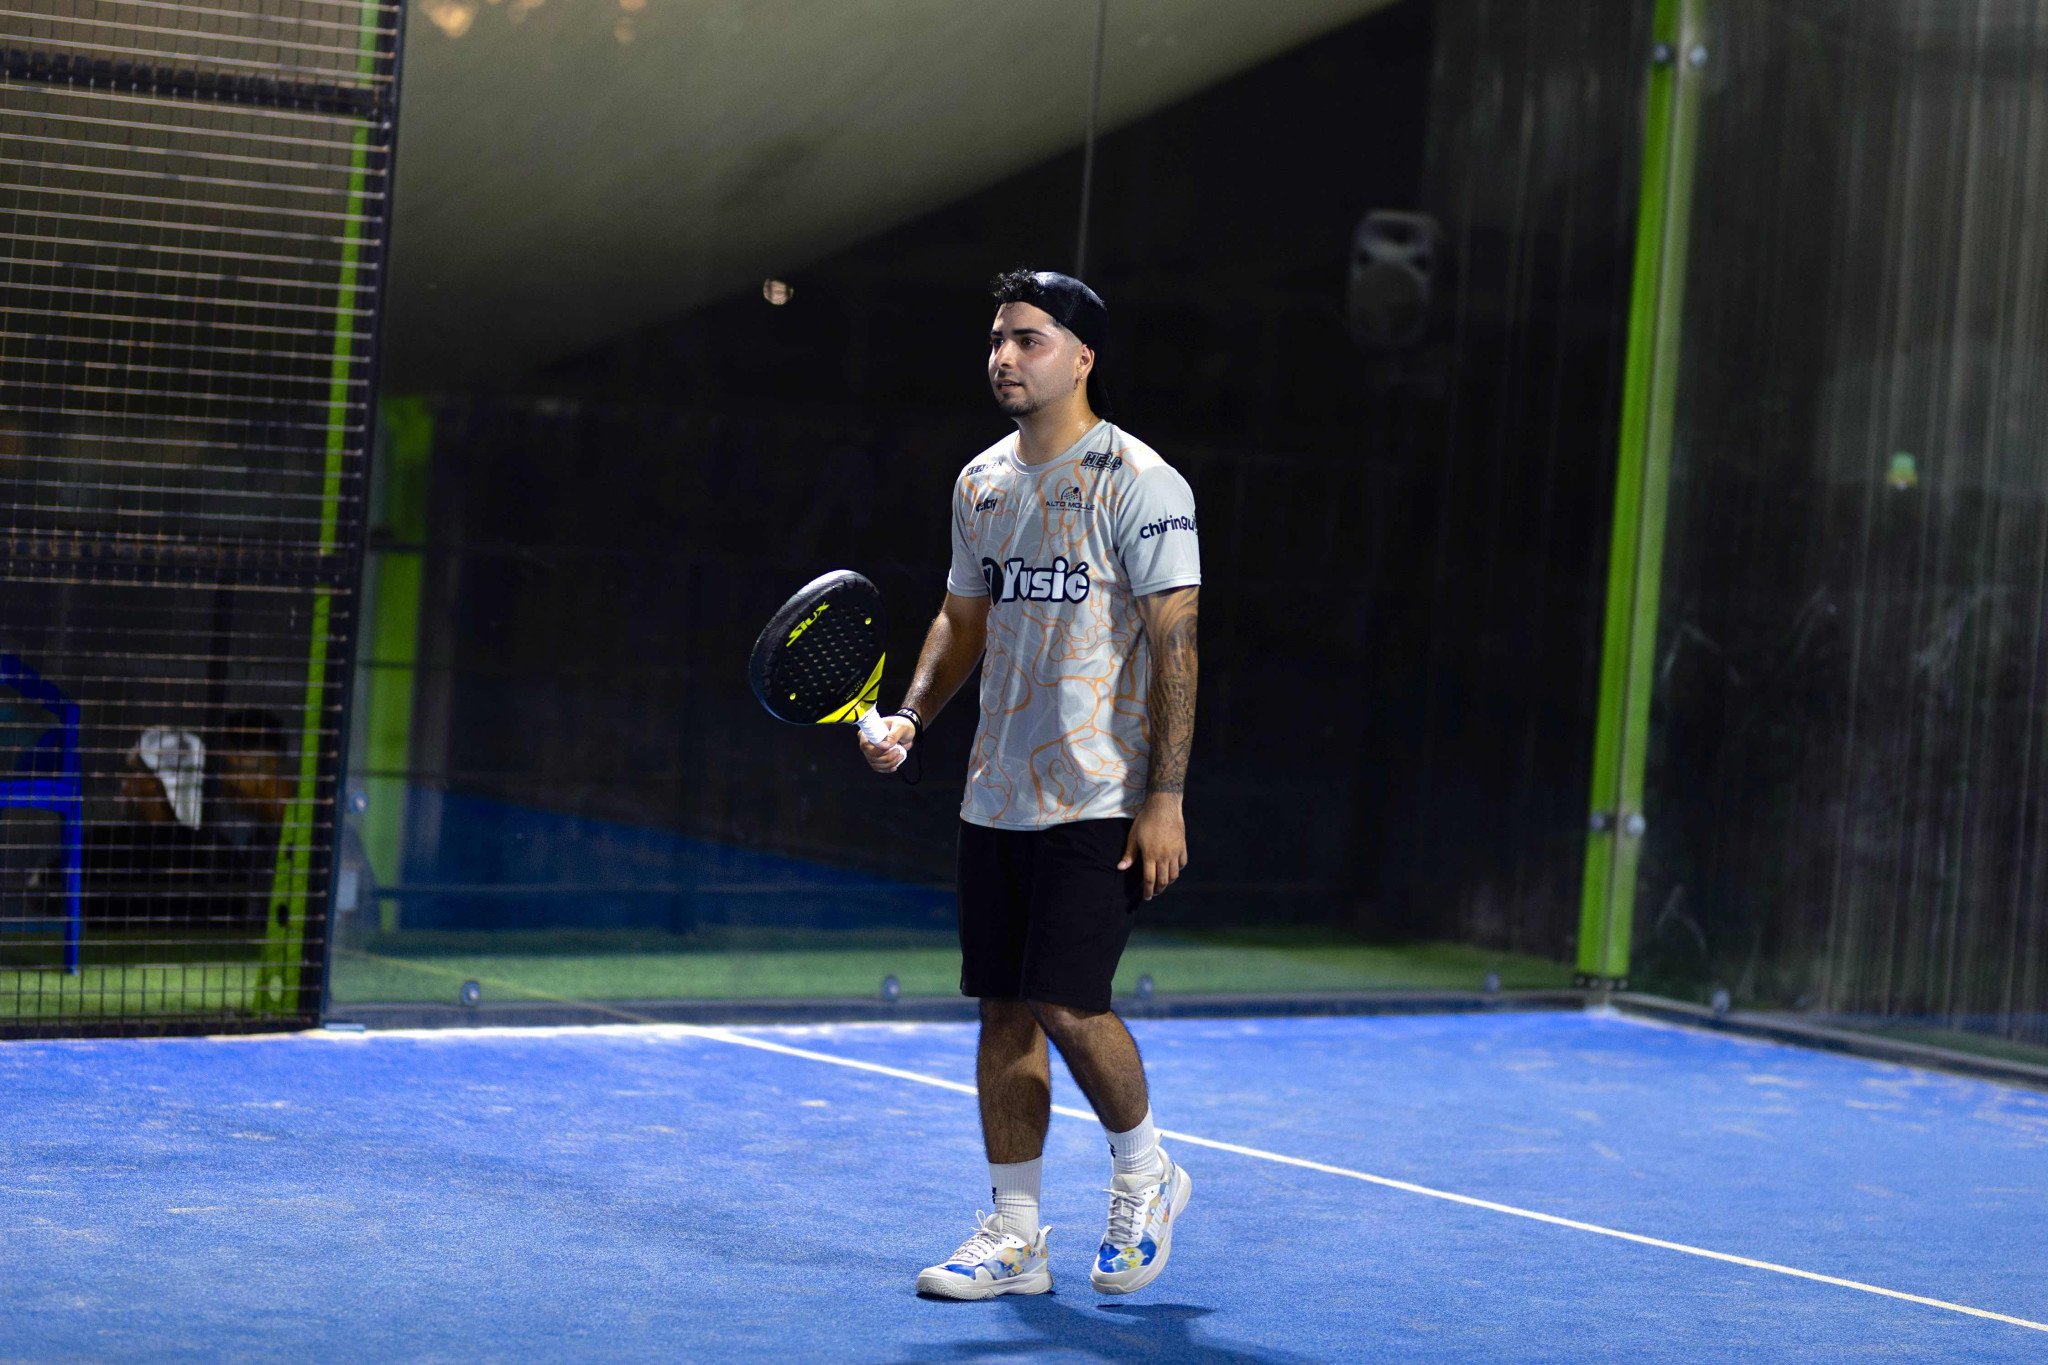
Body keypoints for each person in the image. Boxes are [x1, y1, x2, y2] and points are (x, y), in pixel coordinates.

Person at [858, 270, 1202, 1299]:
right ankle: (1015, 1238)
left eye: (1029, 339)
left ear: (1081, 357)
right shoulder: (980, 483)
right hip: (994, 793)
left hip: (1100, 793)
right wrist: (911, 717)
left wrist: (1166, 796)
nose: (1004, 356)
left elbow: (1176, 644)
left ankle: (1147, 1173)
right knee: (1004, 1008)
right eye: (997, 339)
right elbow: (961, 618)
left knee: (1066, 999)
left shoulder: (1141, 481)